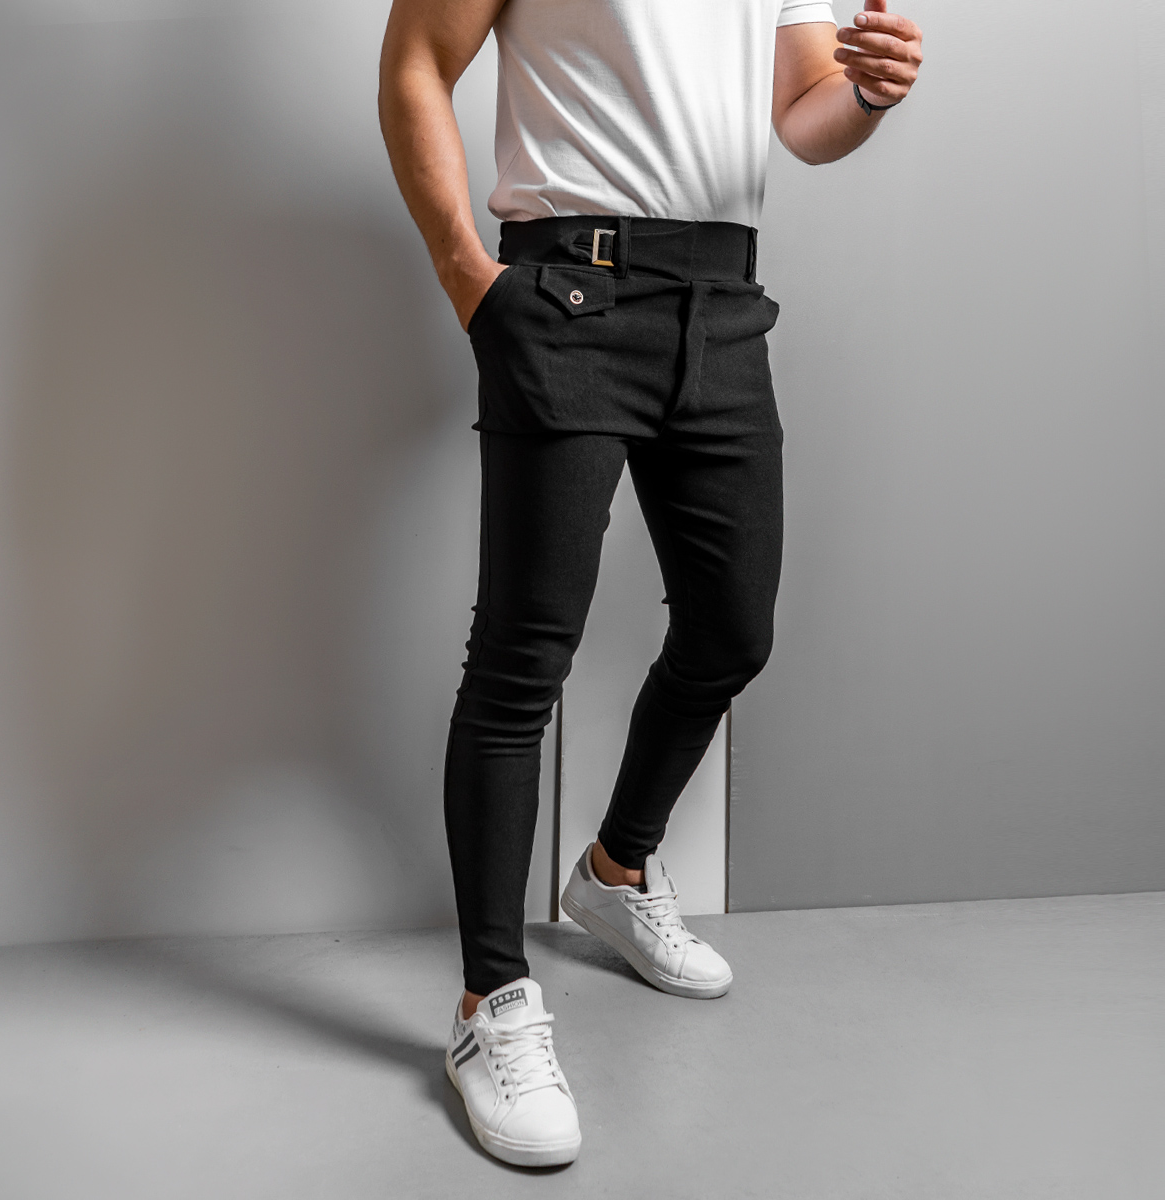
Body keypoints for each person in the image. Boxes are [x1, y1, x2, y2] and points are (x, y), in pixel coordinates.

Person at [379, 0, 923, 1167]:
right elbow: (417, 60)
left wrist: (868, 95)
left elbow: (803, 113)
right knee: (523, 658)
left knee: (733, 631)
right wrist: (469, 276)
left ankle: (616, 870)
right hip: (568, 289)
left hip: (722, 305)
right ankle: (490, 1005)